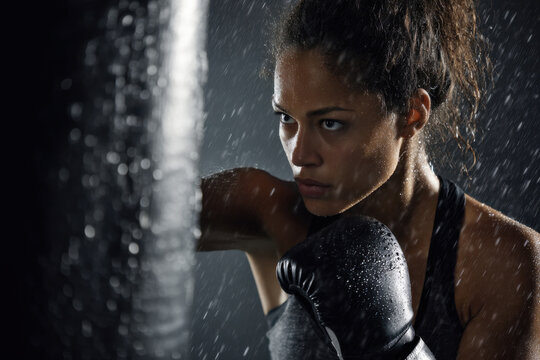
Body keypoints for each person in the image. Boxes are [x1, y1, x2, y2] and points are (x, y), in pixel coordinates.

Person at [197, 0, 540, 359]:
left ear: (411, 112)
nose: (299, 156)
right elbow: (135, 215)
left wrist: (394, 349)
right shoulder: (267, 211)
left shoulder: (502, 262)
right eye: (286, 118)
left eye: (330, 123)